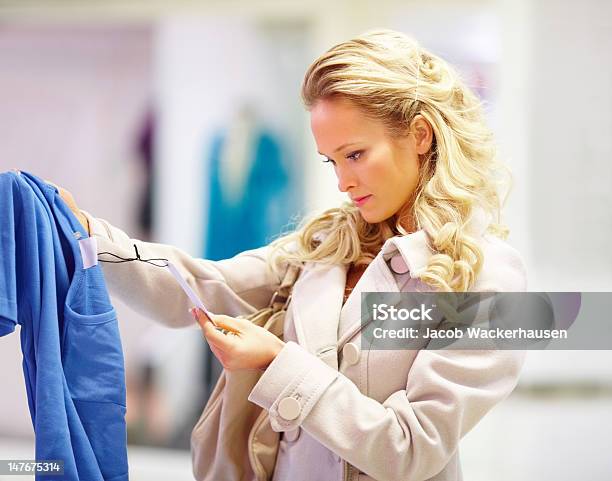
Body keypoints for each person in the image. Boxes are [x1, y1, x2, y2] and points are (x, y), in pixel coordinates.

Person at [59, 29, 527, 481]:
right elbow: (199, 286)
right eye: (331, 160)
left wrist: (276, 362)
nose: (342, 181)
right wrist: (86, 236)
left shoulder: (487, 274)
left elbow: (408, 449)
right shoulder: (325, 246)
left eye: (356, 154)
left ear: (420, 135)